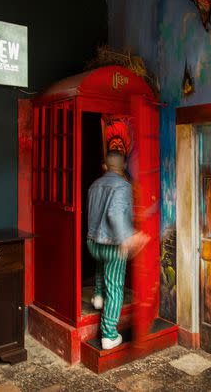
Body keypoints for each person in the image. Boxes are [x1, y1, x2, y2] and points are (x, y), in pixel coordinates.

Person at [87, 150, 149, 350]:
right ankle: (109, 335)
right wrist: (126, 238)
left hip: (93, 241)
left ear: (104, 166)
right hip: (112, 244)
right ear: (123, 167)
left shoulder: (94, 185)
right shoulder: (123, 186)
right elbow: (114, 214)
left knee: (101, 266)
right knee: (115, 287)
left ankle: (98, 297)